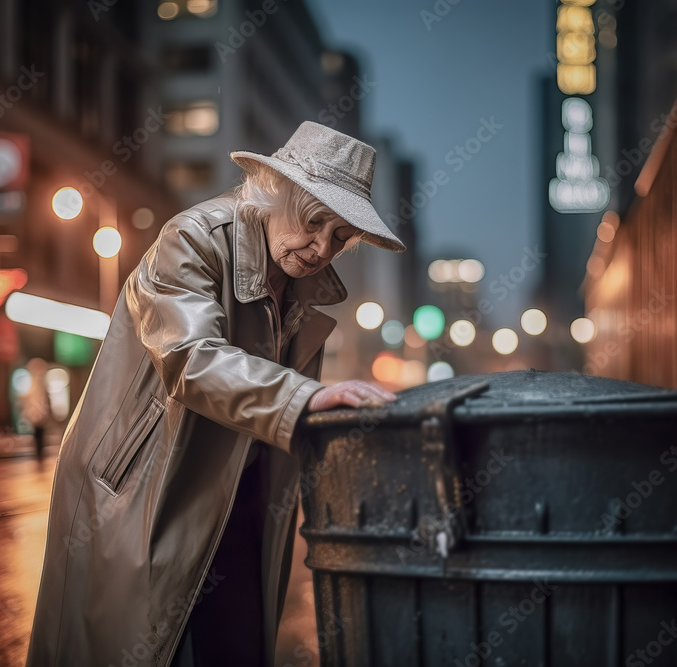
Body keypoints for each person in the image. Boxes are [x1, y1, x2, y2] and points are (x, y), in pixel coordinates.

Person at [26, 121, 404, 667]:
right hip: (145, 489)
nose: (324, 246)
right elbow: (191, 358)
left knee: (234, 643)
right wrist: (304, 400)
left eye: (342, 236)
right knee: (153, 646)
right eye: (315, 221)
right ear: (277, 193)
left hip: (241, 496)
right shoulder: (195, 236)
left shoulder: (298, 280)